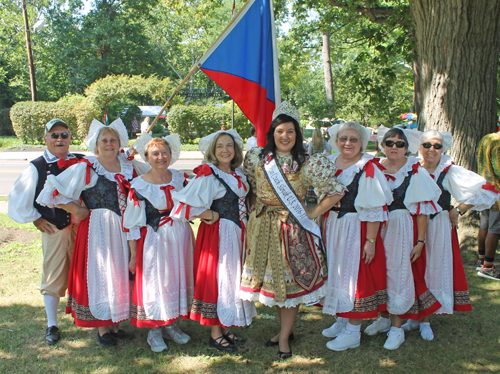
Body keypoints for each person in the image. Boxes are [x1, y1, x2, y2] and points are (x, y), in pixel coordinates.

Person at [240, 102, 346, 359]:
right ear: (272, 133)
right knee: (276, 285)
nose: (284, 136)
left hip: (291, 229)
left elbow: (336, 191)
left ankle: (284, 336)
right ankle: (283, 330)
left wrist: (311, 213)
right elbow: (251, 184)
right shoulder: (256, 157)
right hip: (262, 227)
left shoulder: (307, 163)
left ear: (297, 134)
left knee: (289, 285)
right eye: (279, 131)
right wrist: (255, 202)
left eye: (290, 131)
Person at [36, 118, 149, 347]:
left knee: (119, 274)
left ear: (120, 143)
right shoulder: (87, 167)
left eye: (113, 140)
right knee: (102, 274)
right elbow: (53, 191)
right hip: (98, 228)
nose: (109, 144)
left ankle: (116, 323)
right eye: (104, 140)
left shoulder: (129, 167)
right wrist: (77, 208)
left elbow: (153, 180)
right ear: (96, 145)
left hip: (124, 229)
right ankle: (102, 328)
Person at [402, 130, 498, 339]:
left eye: (437, 146)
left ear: (443, 149)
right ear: (420, 146)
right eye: (427, 145)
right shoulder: (410, 167)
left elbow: (488, 188)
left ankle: (425, 320)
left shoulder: (449, 171)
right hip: (411, 225)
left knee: (432, 269)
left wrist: (458, 208)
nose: (431, 150)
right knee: (411, 269)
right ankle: (413, 316)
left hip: (438, 226)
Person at [171, 129, 256, 352]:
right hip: (220, 235)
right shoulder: (209, 174)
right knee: (222, 280)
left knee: (234, 279)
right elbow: (182, 206)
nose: (225, 150)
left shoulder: (238, 174)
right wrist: (209, 215)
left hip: (239, 232)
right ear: (213, 151)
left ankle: (226, 327)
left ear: (236, 149)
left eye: (229, 145)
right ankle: (215, 334)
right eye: (220, 146)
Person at [364, 127, 442, 350]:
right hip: (376, 228)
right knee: (378, 272)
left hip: (402, 229)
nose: (394, 147)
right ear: (382, 145)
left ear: (407, 147)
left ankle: (397, 329)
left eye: (400, 144)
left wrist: (420, 241)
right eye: (390, 143)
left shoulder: (415, 170)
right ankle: (384, 318)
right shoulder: (374, 167)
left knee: (398, 275)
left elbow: (422, 210)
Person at [8, 119, 82, 345]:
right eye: (55, 135)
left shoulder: (82, 161)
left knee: (84, 271)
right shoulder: (37, 166)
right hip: (55, 228)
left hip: (82, 227)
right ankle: (52, 324)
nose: (60, 139)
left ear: (70, 138)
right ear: (46, 138)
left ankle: (89, 316)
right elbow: (19, 199)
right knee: (53, 275)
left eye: (64, 135)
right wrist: (36, 219)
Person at [321, 122, 393, 351]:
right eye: (343, 139)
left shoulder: (368, 166)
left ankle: (353, 331)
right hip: (332, 225)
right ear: (336, 140)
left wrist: (370, 241)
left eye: (353, 139)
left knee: (355, 276)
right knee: (337, 272)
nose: (348, 143)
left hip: (356, 226)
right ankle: (342, 318)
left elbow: (374, 207)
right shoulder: (330, 162)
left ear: (362, 141)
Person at [124, 133, 194, 352]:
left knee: (175, 279)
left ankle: (170, 324)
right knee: (157, 282)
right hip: (154, 240)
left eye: (164, 152)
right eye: (155, 153)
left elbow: (194, 204)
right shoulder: (138, 185)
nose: (161, 157)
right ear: (147, 156)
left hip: (180, 236)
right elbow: (132, 224)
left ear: (171, 155)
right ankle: (154, 329)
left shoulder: (180, 178)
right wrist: (134, 256)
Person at [476, 128, 500, 279]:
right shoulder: (497, 143)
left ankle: (481, 260)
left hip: (484, 190)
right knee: (495, 229)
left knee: (484, 226)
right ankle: (488, 267)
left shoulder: (487, 137)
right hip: (496, 191)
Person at [305, 128, 333, 205]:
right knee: (320, 178)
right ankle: (319, 194)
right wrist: (324, 156)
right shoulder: (324, 142)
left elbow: (309, 153)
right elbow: (329, 150)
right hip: (321, 163)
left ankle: (311, 196)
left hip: (313, 163)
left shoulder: (311, 143)